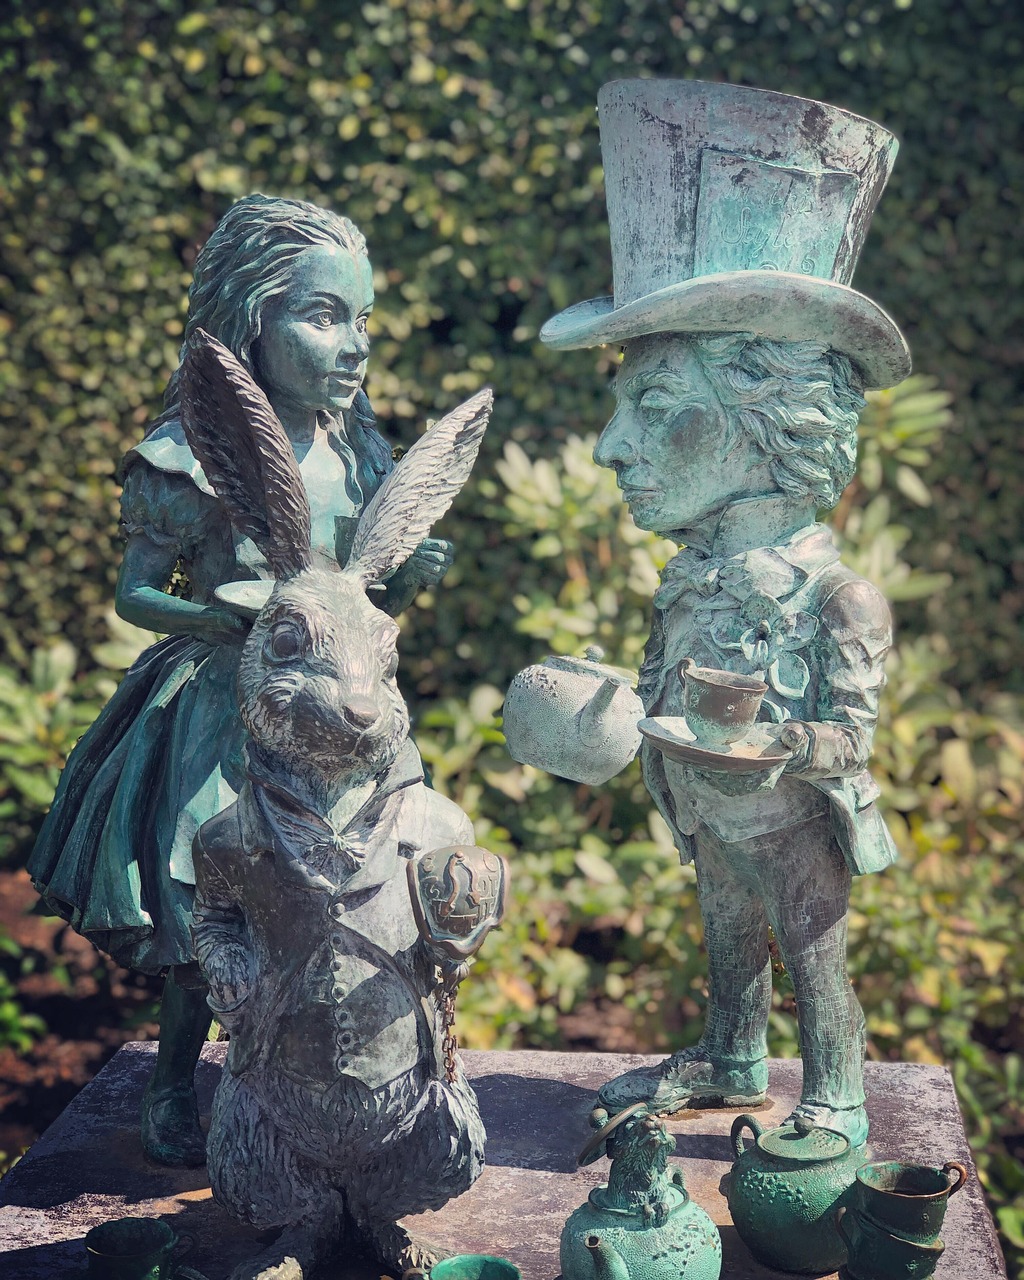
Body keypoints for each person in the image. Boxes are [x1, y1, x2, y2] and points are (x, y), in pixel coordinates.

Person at [28, 194, 452, 1165]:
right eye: (324, 316)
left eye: (363, 319)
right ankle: (175, 1081)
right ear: (251, 321)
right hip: (224, 710)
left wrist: (408, 581)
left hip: (340, 714)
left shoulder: (357, 452)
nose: (355, 345)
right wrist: (217, 619)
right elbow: (137, 595)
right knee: (212, 890)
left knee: (353, 892)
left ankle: (306, 1075)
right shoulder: (191, 455)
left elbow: (356, 595)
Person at [538, 79, 912, 1147]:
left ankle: (835, 1092)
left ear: (765, 424)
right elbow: (658, 687)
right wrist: (602, 704)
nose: (610, 447)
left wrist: (781, 743)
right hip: (708, 813)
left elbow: (852, 739)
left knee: (814, 951)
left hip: (792, 820)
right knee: (726, 935)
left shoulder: (838, 599)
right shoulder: (689, 579)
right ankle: (733, 1050)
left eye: (653, 407)